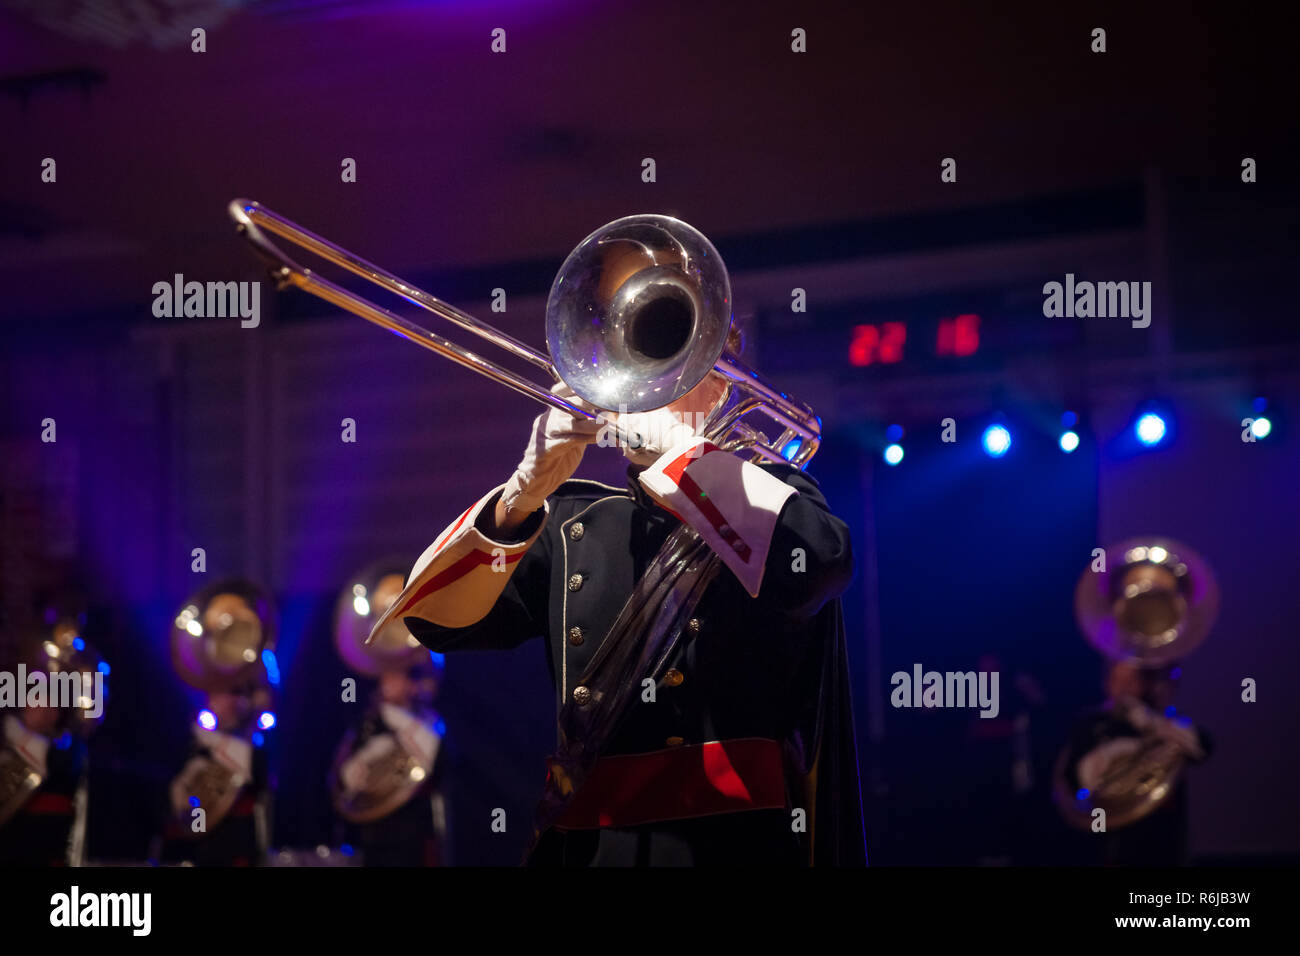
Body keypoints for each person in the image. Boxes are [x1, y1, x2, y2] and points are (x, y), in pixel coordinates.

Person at [372, 346, 866, 866]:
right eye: (633, 367)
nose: (643, 389)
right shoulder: (567, 520)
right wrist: (519, 498)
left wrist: (681, 452)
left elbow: (817, 566)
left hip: (735, 846)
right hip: (592, 849)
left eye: (675, 367)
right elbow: (431, 621)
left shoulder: (772, 492)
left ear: (720, 390)